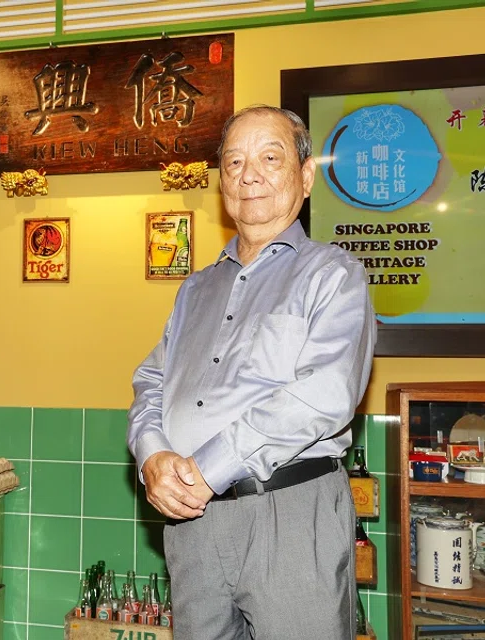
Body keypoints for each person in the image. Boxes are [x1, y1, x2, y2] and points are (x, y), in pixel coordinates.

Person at [127, 105, 376, 640]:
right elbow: (151, 382)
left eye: (270, 157)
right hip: (193, 524)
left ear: (305, 177)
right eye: (234, 161)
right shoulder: (195, 288)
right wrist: (153, 458)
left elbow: (326, 394)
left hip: (290, 516)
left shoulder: (334, 275)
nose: (249, 174)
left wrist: (206, 469)